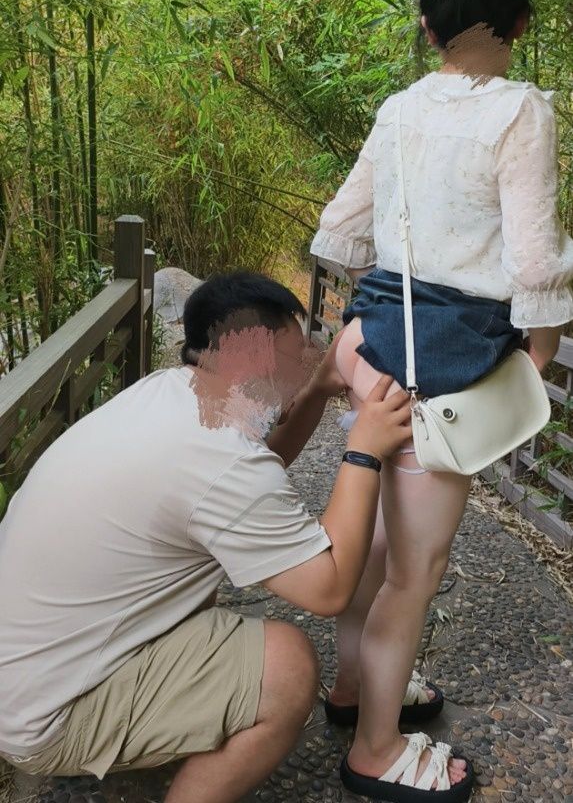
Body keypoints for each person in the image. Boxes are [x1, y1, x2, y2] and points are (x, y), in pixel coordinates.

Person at [310, 0, 573, 801]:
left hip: (372, 344)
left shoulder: (399, 109)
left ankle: (355, 688)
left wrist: (372, 317)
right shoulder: (521, 110)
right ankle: (375, 750)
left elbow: (341, 231)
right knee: (412, 575)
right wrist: (536, 355)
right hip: (443, 365)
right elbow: (533, 264)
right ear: (521, 23)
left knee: (376, 544)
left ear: (427, 27)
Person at [0, 270, 413, 803]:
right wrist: (363, 452)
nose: (311, 360)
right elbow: (328, 588)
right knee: (288, 667)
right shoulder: (222, 460)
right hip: (46, 717)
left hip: (26, 671)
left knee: (210, 599)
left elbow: (249, 477)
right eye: (299, 352)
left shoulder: (170, 395)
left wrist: (312, 394)